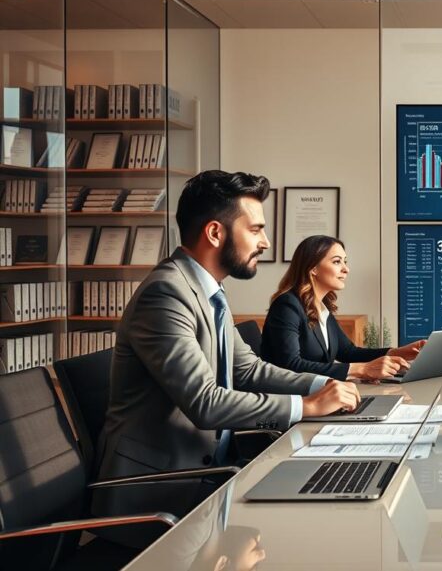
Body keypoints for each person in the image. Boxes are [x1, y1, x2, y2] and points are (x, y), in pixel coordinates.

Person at [93, 171, 362, 545]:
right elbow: (204, 403)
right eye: (255, 230)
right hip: (161, 497)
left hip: (213, 475)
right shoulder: (166, 294)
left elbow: (247, 369)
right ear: (216, 233)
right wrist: (307, 405)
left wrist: (327, 385)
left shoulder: (209, 291)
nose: (266, 242)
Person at [261, 235, 425, 380]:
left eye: (344, 262)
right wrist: (361, 370)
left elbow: (348, 352)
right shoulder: (287, 306)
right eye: (337, 262)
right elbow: (290, 365)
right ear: (313, 268)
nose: (346, 269)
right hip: (293, 401)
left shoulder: (322, 308)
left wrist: (397, 352)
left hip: (318, 394)